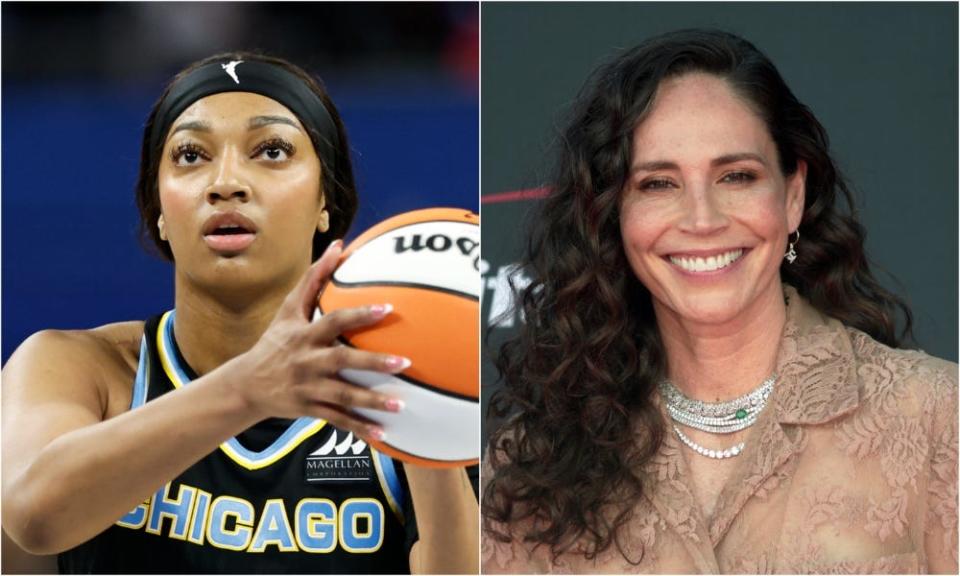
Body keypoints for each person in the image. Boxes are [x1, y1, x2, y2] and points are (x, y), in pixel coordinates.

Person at [481, 29, 957, 574]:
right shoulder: (531, 466)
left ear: (793, 196)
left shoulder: (938, 421)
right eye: (659, 184)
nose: (702, 220)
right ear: (613, 215)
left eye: (736, 176)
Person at [2, 51, 479, 574]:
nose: (226, 181)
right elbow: (33, 516)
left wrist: (428, 415)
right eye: (190, 155)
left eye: (271, 150)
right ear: (158, 209)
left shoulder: (387, 384)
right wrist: (248, 388)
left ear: (326, 200)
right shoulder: (80, 368)